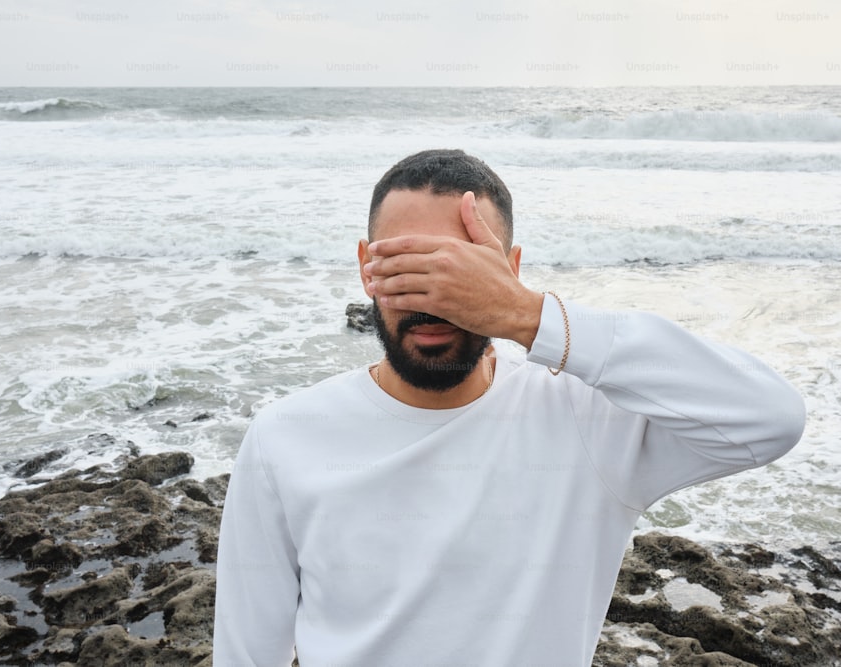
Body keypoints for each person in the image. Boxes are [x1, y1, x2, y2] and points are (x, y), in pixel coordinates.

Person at [213, 149, 805, 666]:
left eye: (458, 269)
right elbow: (246, 652)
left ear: (509, 271)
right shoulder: (285, 436)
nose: (433, 297)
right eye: (406, 266)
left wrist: (529, 317)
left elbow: (770, 417)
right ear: (366, 267)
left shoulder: (587, 421)